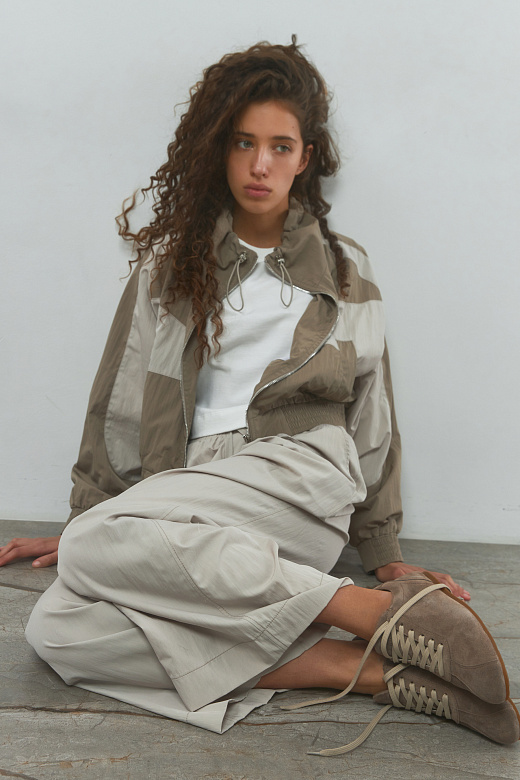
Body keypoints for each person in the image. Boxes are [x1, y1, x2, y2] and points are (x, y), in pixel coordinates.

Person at [2, 38, 518, 753]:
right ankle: (363, 666)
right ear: (220, 147)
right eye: (244, 142)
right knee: (56, 627)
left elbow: (373, 412)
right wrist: (99, 514)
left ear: (305, 158)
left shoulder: (344, 267)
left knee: (93, 549)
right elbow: (118, 401)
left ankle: (374, 609)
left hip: (300, 471)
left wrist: (384, 550)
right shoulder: (168, 266)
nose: (260, 164)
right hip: (191, 487)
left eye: (281, 146)